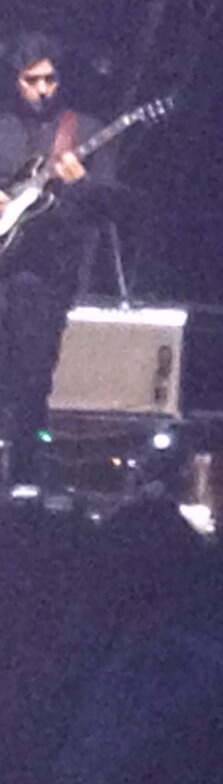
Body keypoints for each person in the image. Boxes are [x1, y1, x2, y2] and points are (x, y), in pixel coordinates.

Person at [0, 34, 115, 491]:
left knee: (32, 378)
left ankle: (24, 479)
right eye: (33, 80)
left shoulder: (82, 129)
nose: (44, 88)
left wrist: (83, 184)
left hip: (47, 273)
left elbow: (116, 206)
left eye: (50, 79)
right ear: (16, 81)